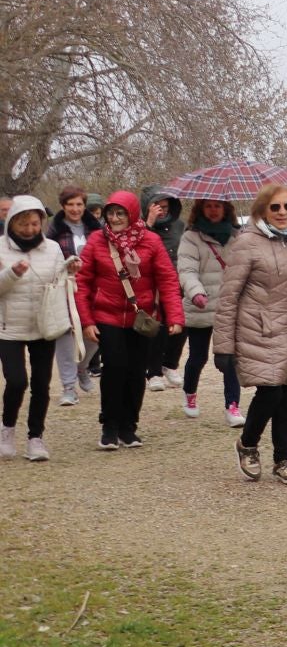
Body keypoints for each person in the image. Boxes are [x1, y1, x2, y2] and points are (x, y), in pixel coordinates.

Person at [214, 185, 287, 485]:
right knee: (271, 391)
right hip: (259, 329)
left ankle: (283, 459)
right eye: (275, 207)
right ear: (262, 209)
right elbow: (228, 297)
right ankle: (247, 445)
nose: (282, 213)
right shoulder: (246, 243)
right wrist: (223, 346)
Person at [75, 191, 184, 451]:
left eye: (120, 213)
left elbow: (167, 280)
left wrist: (175, 316)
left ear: (132, 213)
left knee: (136, 372)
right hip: (107, 315)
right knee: (114, 368)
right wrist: (87, 321)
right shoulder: (96, 241)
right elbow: (82, 282)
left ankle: (129, 426)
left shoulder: (151, 241)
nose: (114, 218)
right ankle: (109, 426)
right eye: (111, 213)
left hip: (141, 317)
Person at [1, 197, 75, 462]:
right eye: (24, 224)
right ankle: (7, 429)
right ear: (12, 223)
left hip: (44, 324)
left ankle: (36, 438)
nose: (30, 229)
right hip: (9, 326)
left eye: (34, 223)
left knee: (42, 384)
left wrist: (70, 269)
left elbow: (56, 281)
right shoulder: (1, 248)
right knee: (17, 380)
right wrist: (12, 273)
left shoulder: (53, 248)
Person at [176, 200, 245, 426]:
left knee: (230, 359)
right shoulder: (191, 237)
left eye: (218, 206)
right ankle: (190, 393)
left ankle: (232, 405)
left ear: (226, 209)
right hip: (201, 305)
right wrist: (195, 292)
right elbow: (187, 270)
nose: (213, 210)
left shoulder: (239, 236)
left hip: (230, 306)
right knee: (198, 357)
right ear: (200, 210)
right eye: (208, 206)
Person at [48, 186, 101, 404]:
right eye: (70, 204)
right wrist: (66, 266)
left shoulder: (96, 229)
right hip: (64, 287)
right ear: (63, 206)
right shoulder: (54, 231)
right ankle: (68, 387)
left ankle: (82, 368)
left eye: (79, 204)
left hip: (93, 288)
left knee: (96, 334)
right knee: (65, 336)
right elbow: (48, 258)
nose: (75, 209)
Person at [142, 188, 187, 392]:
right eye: (158, 206)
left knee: (181, 324)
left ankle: (170, 364)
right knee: (157, 328)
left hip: (177, 280)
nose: (163, 210)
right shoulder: (141, 226)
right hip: (152, 283)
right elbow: (139, 245)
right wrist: (149, 222)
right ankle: (153, 372)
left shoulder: (179, 225)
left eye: (166, 206)